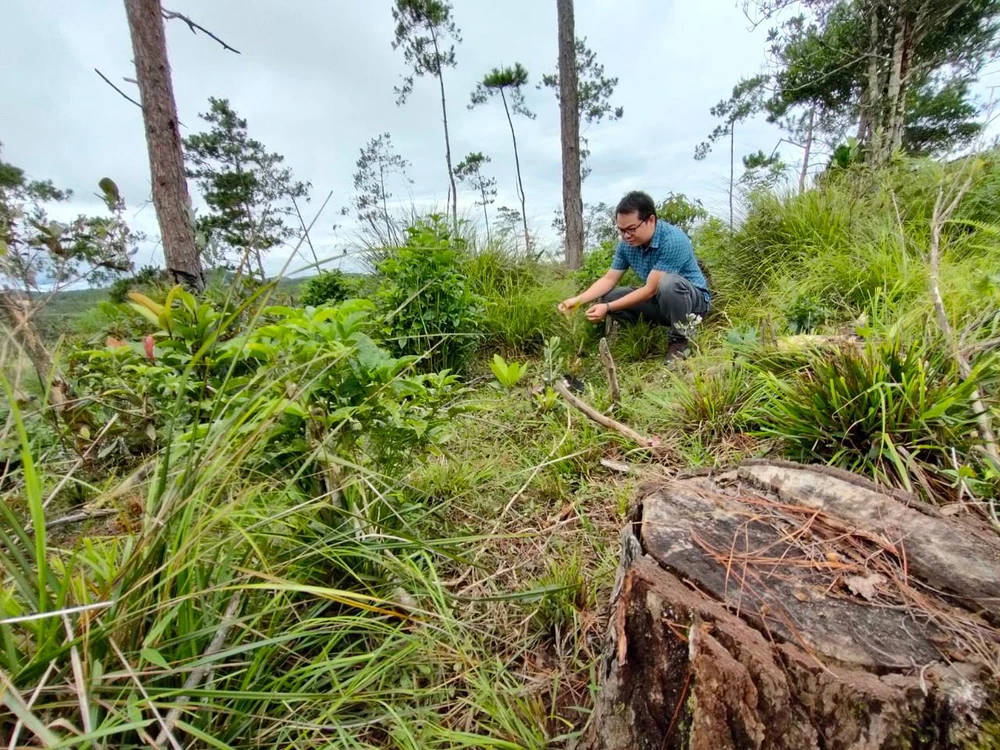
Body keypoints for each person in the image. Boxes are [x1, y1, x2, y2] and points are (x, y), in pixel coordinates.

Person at [558, 190, 710, 360]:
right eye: (621, 230)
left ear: (651, 220)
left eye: (631, 229)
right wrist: (578, 300)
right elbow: (609, 280)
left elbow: (651, 290)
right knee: (610, 296)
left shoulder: (673, 240)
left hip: (693, 304)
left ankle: (680, 341)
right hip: (660, 300)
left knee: (668, 283)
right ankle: (646, 333)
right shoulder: (626, 245)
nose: (626, 236)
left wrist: (607, 309)